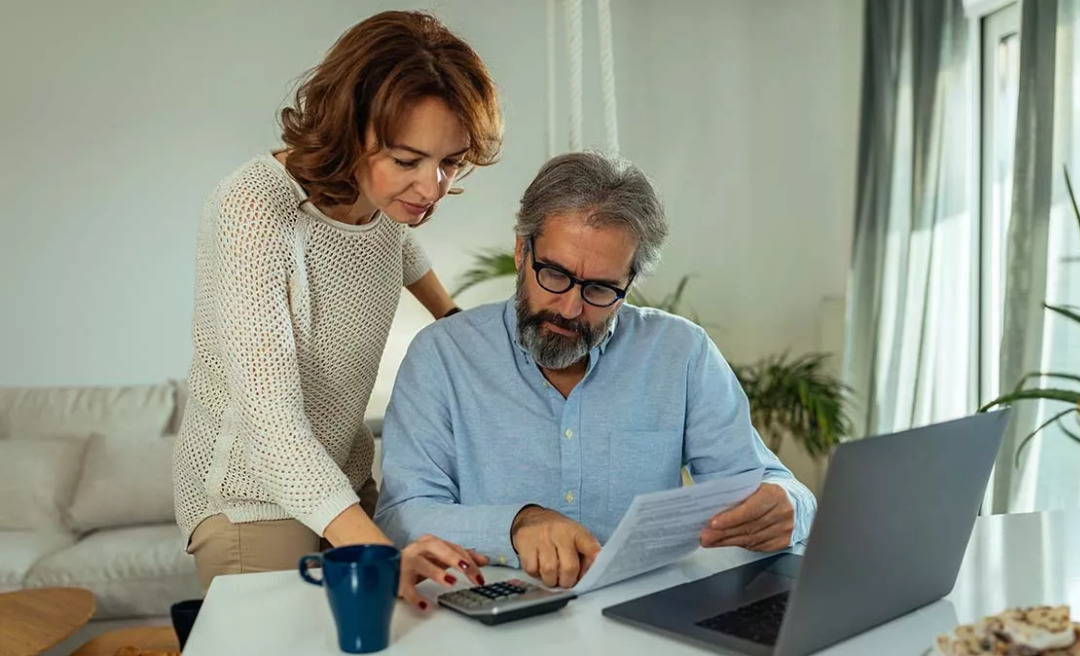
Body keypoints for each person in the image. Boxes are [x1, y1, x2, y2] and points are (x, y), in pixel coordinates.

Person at [172, 11, 502, 609]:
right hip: (254, 499)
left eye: (448, 162)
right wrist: (379, 553)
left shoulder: (382, 204)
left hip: (342, 481)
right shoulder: (255, 208)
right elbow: (269, 425)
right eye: (408, 161)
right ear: (351, 128)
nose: (431, 189)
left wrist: (456, 324)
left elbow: (397, 248)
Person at [374, 151, 816, 590]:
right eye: (554, 274)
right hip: (489, 619)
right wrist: (516, 525)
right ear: (521, 251)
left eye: (601, 288)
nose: (570, 307)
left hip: (640, 619)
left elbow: (768, 483)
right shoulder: (443, 356)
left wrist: (788, 506)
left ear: (630, 283)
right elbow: (401, 516)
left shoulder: (680, 353)